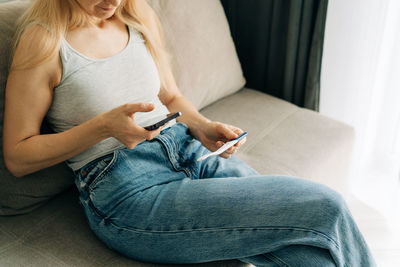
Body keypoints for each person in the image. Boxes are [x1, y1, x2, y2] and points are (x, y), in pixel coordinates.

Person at [3, 0, 376, 266]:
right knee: (326, 207)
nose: (112, 1)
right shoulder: (44, 40)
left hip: (189, 154)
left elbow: (169, 95)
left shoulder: (137, 14)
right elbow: (18, 156)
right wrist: (103, 127)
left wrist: (202, 127)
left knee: (311, 251)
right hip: (127, 190)